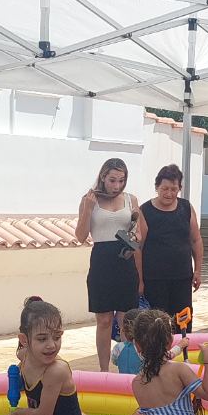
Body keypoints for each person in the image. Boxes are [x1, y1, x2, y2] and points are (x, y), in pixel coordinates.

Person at [77, 158, 141, 371]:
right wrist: (87, 208)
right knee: (104, 321)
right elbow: (80, 236)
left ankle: (126, 367)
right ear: (103, 177)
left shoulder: (131, 200)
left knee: (126, 321)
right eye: (112, 180)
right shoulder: (89, 199)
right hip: (101, 262)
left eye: (121, 180)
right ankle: (104, 370)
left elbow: (138, 232)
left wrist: (134, 242)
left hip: (125, 261)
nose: (116, 185)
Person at [136, 165, 203, 328]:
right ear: (157, 187)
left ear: (180, 188)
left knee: (183, 324)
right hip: (154, 280)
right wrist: (139, 280)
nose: (169, 193)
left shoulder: (186, 208)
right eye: (164, 188)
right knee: (157, 326)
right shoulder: (145, 210)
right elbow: (138, 247)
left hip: (182, 278)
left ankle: (183, 352)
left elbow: (196, 240)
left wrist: (198, 270)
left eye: (174, 189)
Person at [111, 307, 145, 376]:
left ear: (123, 330)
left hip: (122, 383)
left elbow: (114, 361)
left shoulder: (118, 347)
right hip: (140, 383)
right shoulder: (143, 349)